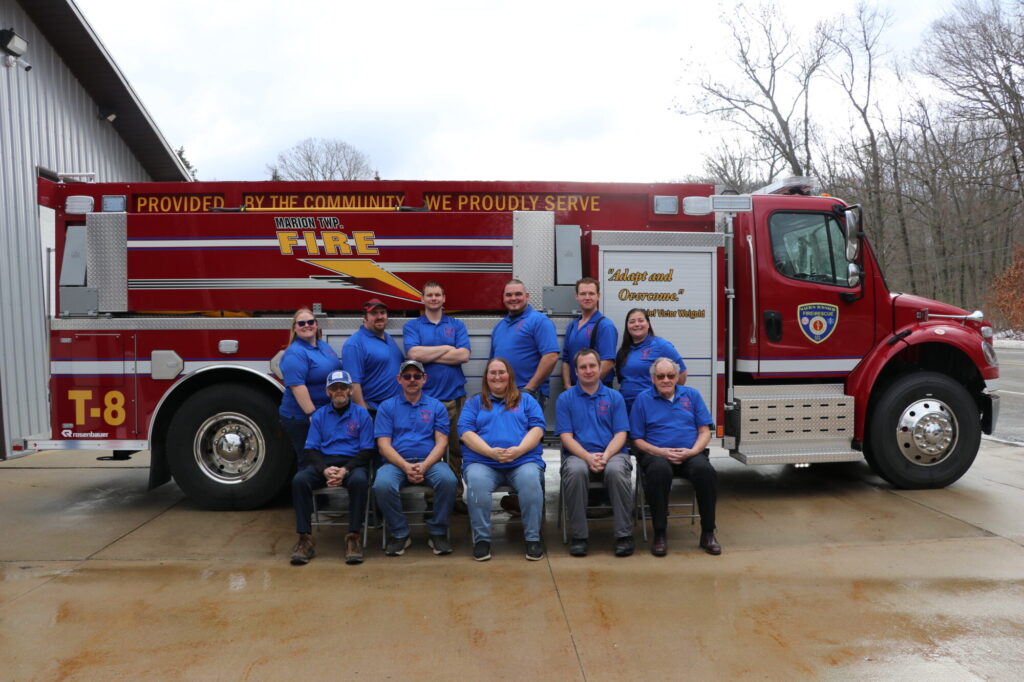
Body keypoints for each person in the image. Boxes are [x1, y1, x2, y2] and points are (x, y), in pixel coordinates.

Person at [629, 358, 720, 557]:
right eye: (661, 376)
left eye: (670, 376)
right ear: (653, 379)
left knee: (706, 472)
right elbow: (636, 439)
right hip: (657, 455)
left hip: (690, 453)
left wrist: (693, 451)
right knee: (658, 472)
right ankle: (660, 533)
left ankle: (708, 532)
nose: (666, 380)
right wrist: (660, 452)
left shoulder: (692, 396)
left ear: (677, 377)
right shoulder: (643, 400)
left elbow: (704, 432)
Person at [458, 358, 547, 561]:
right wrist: (490, 452)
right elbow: (465, 432)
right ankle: (482, 540)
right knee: (477, 482)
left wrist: (518, 451)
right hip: (483, 462)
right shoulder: (474, 402)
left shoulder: (527, 400)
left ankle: (533, 538)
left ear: (510, 376)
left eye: (501, 372)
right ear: (486, 378)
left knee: (531, 480)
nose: (497, 376)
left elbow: (537, 428)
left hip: (522, 461)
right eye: (492, 373)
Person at [373, 360, 457, 556]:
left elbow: (442, 443)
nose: (412, 380)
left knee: (449, 481)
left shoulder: (436, 407)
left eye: (417, 376)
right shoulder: (386, 407)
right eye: (407, 376)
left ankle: (438, 532)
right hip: (396, 463)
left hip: (430, 462)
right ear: (399, 379)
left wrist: (425, 465)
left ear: (424, 379)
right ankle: (400, 533)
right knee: (381, 485)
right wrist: (405, 466)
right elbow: (383, 445)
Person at [290, 370, 374, 566]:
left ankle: (353, 537)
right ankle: (305, 539)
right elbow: (310, 450)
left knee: (361, 481)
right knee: (299, 480)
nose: (339, 391)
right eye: (334, 388)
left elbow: (367, 450)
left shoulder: (362, 414)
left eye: (343, 387)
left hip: (352, 463)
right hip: (325, 462)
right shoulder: (319, 415)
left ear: (350, 390)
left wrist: (345, 470)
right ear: (328, 391)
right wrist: (324, 470)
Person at [556, 349, 634, 557]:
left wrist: (606, 456)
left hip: (613, 453)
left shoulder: (615, 397)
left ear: (600, 368)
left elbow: (621, 434)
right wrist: (588, 457)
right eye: (583, 367)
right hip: (578, 455)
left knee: (616, 471)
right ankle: (579, 536)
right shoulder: (565, 399)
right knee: (575, 471)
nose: (588, 370)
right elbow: (566, 437)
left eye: (592, 366)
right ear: (576, 371)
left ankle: (624, 535)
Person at [402, 281, 471, 514]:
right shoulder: (413, 326)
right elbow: (413, 354)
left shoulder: (456, 324)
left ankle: (457, 496)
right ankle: (432, 498)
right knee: (430, 450)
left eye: (437, 295)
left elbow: (463, 356)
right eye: (429, 295)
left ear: (443, 299)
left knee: (456, 449)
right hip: (426, 401)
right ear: (422, 299)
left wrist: (429, 355)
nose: (433, 298)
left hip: (455, 397)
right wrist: (446, 348)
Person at [279, 308, 342, 467]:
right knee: (308, 462)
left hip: (324, 413)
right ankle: (303, 492)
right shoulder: (295, 353)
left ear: (316, 324)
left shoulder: (322, 346)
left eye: (310, 322)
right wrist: (313, 416)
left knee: (323, 460)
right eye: (301, 323)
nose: (307, 325)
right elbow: (297, 386)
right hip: (302, 418)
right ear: (295, 328)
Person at [489, 279, 559, 407]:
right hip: (502, 395)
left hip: (529, 394)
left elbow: (551, 356)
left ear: (527, 296)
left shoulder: (539, 321)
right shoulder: (499, 327)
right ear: (503, 298)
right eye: (509, 295)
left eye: (518, 294)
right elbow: (493, 364)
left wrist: (529, 389)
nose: (513, 298)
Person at [615, 307, 687, 413]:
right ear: (627, 326)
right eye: (632, 322)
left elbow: (682, 374)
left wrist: (666, 395)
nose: (636, 324)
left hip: (651, 409)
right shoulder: (623, 351)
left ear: (648, 324)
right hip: (626, 409)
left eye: (641, 320)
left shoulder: (661, 345)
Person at [342, 298, 404, 416]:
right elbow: (353, 384)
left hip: (396, 410)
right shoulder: (354, 344)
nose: (379, 316)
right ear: (364, 318)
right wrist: (364, 415)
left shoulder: (388, 338)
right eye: (374, 313)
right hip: (374, 411)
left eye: (382, 313)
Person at [561, 277, 617, 389]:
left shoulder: (605, 326)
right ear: (576, 296)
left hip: (597, 390)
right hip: (575, 390)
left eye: (591, 293)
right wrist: (568, 387)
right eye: (583, 294)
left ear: (598, 296)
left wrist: (585, 387)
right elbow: (566, 361)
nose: (587, 297)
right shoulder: (572, 326)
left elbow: (608, 362)